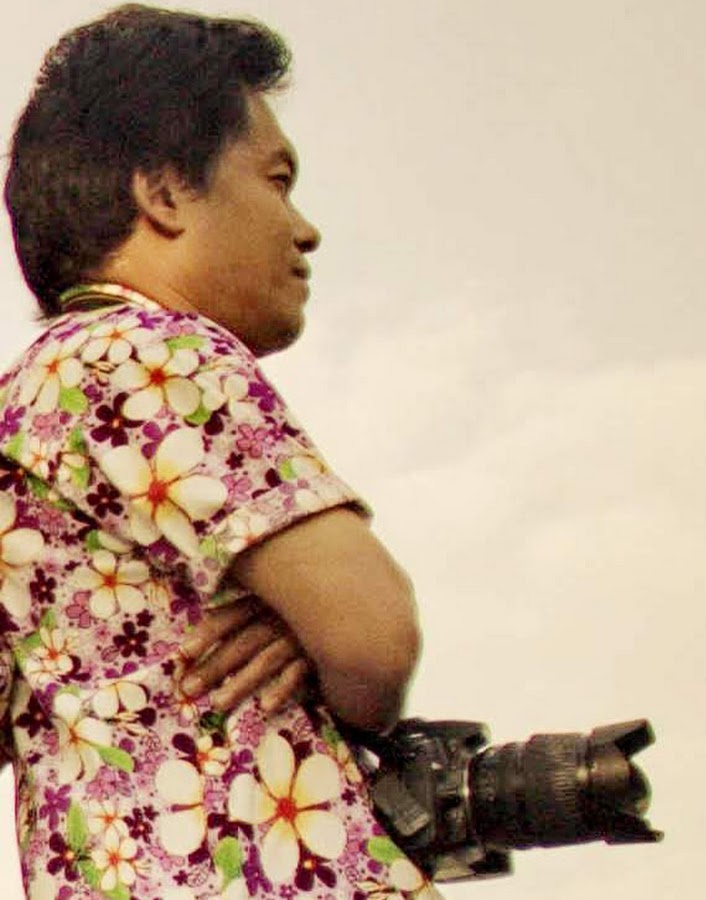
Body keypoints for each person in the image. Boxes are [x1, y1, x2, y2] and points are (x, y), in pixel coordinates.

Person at [0, 5, 441, 898]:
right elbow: (373, 639)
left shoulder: (22, 408)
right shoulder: (155, 354)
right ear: (164, 193)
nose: (304, 228)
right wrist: (319, 630)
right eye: (277, 180)